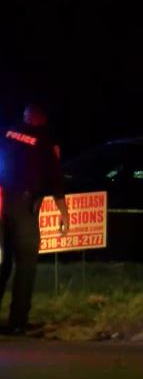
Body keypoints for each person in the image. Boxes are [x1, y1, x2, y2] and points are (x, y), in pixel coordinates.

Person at [0, 104, 69, 336]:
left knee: (3, 263)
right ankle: (17, 321)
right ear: (41, 121)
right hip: (24, 206)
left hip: (2, 203)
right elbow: (56, 180)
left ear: (25, 118)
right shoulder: (44, 142)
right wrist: (64, 214)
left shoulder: (6, 132)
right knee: (26, 264)